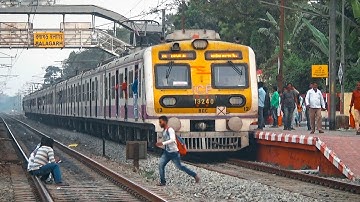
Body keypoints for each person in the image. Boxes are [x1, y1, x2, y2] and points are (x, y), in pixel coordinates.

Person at [155, 116, 200, 186]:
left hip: (174, 152)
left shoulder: (170, 130)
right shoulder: (164, 131)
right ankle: (162, 182)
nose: (159, 124)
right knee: (161, 165)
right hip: (167, 152)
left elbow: (173, 140)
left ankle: (195, 175)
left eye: (160, 122)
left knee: (180, 166)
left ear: (165, 122)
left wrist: (162, 143)